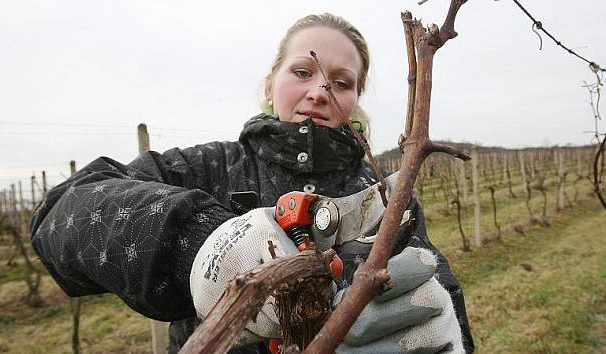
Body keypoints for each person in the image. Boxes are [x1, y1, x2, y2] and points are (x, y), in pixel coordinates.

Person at [30, 13, 474, 354]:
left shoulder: (381, 193)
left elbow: (438, 289)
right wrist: (200, 242)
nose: (320, 91)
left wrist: (445, 335)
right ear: (269, 82)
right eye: (303, 71)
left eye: (341, 82)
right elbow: (60, 211)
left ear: (355, 100)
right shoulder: (210, 166)